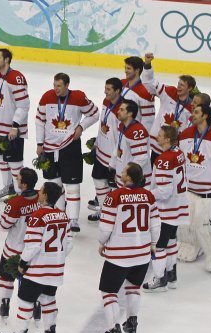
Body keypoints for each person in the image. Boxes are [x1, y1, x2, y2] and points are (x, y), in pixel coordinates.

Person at [0, 181, 71, 333]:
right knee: (48, 300)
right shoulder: (63, 215)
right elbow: (68, 244)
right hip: (55, 270)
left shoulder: (37, 216)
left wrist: (23, 263)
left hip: (37, 270)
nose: (39, 193)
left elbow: (32, 246)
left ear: (45, 195)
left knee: (25, 300)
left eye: (42, 191)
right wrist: (56, 259)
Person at [98, 162, 160, 333]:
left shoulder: (114, 196)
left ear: (129, 178)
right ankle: (131, 323)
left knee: (109, 293)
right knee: (133, 287)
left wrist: (102, 243)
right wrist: (152, 244)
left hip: (119, 255)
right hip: (141, 253)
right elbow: (156, 224)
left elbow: (106, 226)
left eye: (123, 172)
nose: (120, 173)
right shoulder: (149, 196)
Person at [35, 73, 99, 231]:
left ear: (67, 85)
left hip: (70, 147)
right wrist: (39, 143)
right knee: (55, 185)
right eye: (54, 85)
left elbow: (95, 114)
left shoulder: (78, 98)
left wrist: (81, 127)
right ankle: (59, 214)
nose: (55, 88)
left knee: (72, 186)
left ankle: (73, 220)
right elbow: (39, 120)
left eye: (59, 85)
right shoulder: (46, 97)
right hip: (49, 148)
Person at [177, 103, 211, 272]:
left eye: (196, 112)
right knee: (189, 223)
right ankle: (193, 245)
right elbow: (180, 161)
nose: (192, 114)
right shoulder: (185, 134)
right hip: (191, 189)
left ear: (206, 116)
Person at [143, 125, 188, 292]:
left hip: (165, 210)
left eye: (160, 135)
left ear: (168, 139)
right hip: (178, 206)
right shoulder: (179, 153)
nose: (157, 137)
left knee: (159, 245)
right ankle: (171, 275)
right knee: (170, 241)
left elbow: (164, 191)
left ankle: (160, 279)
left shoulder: (163, 160)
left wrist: (146, 195)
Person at [0, 48, 29, 201]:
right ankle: (8, 187)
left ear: (7, 60)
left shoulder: (16, 78)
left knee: (15, 164)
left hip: (11, 130)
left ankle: (19, 195)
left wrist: (15, 126)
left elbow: (24, 106)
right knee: (1, 159)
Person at [0, 167, 40, 324]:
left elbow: (3, 226)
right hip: (34, 251)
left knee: (6, 277)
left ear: (25, 184)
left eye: (19, 178)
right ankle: (36, 307)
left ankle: (5, 306)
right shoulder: (41, 198)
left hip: (13, 249)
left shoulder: (15, 203)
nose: (17, 179)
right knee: (33, 281)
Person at [141, 53, 196, 163]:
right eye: (178, 84)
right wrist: (147, 65)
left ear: (189, 88)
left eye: (182, 85)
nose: (178, 87)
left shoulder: (192, 107)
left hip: (174, 148)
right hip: (158, 144)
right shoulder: (169, 92)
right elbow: (150, 83)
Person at [86, 77, 123, 223]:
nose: (105, 92)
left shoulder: (122, 110)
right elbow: (103, 124)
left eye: (108, 89)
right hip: (101, 151)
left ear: (117, 91)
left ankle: (113, 215)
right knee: (98, 179)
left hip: (113, 158)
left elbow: (121, 138)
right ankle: (103, 210)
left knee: (113, 187)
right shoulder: (106, 101)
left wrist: (114, 161)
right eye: (105, 88)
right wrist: (96, 142)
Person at [109, 100, 151, 187]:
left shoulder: (137, 131)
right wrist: (113, 165)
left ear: (130, 113)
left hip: (134, 183)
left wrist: (128, 176)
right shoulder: (122, 126)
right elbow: (119, 147)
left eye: (122, 110)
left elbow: (141, 158)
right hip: (124, 180)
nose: (118, 112)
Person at [120, 55, 156, 132]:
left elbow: (148, 120)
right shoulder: (122, 83)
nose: (126, 71)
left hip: (133, 134)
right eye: (125, 68)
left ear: (137, 70)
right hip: (119, 131)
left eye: (129, 68)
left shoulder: (145, 92)